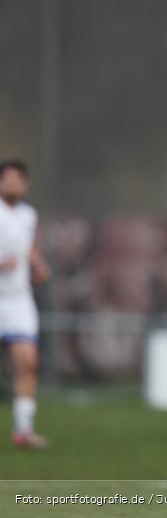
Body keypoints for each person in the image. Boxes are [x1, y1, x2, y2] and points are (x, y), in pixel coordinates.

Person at [0, 160, 52, 449]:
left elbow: (27, 245)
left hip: (18, 299)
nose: (15, 184)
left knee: (28, 363)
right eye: (9, 179)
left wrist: (38, 264)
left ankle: (23, 430)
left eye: (21, 180)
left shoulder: (28, 215)